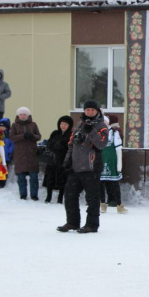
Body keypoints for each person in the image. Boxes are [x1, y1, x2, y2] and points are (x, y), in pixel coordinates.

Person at [57, 100, 108, 234]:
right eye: (87, 110)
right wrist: (67, 161)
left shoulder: (102, 126)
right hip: (76, 166)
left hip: (91, 168)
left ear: (97, 111)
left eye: (92, 110)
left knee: (92, 198)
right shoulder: (79, 124)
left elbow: (102, 145)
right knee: (70, 195)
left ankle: (92, 224)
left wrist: (91, 132)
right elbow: (71, 144)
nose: (90, 112)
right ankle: (72, 222)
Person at [10, 107, 41, 200]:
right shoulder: (14, 125)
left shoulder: (33, 124)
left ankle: (34, 195)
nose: (22, 116)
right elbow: (12, 137)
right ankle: (23, 195)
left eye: (24, 114)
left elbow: (38, 136)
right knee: (21, 177)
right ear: (18, 115)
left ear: (28, 115)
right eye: (21, 114)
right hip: (20, 154)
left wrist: (32, 136)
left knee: (34, 176)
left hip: (32, 154)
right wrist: (23, 136)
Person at [100, 115, 128, 214]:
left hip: (111, 160)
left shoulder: (114, 133)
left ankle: (119, 205)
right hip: (100, 160)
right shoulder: (97, 133)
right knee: (100, 184)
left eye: (105, 122)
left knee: (114, 184)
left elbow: (118, 149)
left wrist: (119, 165)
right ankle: (102, 204)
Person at [43, 115, 73, 204]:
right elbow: (49, 143)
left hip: (64, 160)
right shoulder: (55, 133)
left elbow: (70, 147)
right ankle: (48, 197)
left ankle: (60, 198)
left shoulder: (71, 135)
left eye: (65, 124)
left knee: (62, 180)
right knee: (50, 179)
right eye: (61, 124)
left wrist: (62, 146)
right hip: (53, 160)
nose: (63, 126)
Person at [0, 118, 14, 188]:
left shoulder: (9, 135)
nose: (2, 128)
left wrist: (10, 151)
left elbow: (12, 144)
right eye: (0, 126)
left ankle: (2, 183)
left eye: (3, 126)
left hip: (6, 155)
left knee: (4, 169)